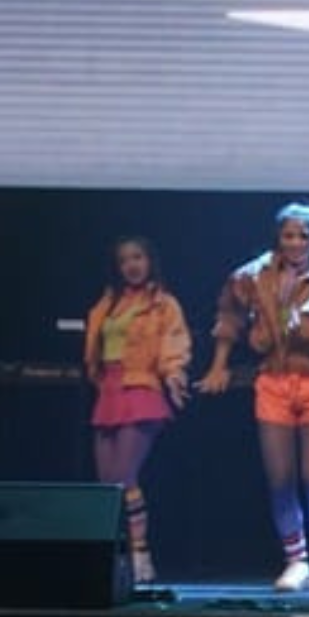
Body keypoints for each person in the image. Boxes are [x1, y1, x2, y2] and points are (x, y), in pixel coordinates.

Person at [197, 200, 309, 592]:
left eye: (303, 236)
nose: (295, 243)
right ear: (278, 237)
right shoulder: (257, 273)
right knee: (280, 479)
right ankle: (296, 560)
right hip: (274, 381)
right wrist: (219, 365)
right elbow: (229, 313)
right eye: (288, 235)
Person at [81, 233, 191, 587]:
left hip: (141, 387)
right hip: (109, 390)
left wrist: (173, 375)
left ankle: (141, 556)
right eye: (124, 260)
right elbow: (96, 345)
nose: (131, 265)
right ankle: (113, 556)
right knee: (106, 486)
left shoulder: (163, 304)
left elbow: (174, 343)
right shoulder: (109, 302)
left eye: (137, 257)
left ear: (150, 260)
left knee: (125, 478)